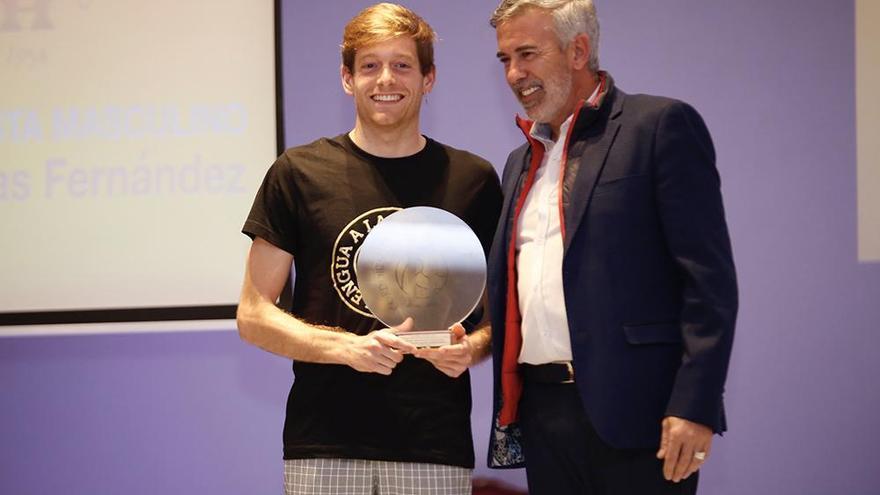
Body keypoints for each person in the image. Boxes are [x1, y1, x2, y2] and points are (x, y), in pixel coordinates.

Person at [236, 3, 502, 494]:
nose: (386, 79)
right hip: (324, 444)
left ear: (429, 79)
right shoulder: (298, 173)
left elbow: (499, 317)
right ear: (347, 78)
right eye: (369, 65)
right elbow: (253, 315)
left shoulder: (473, 180)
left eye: (402, 64)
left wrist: (471, 349)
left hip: (434, 446)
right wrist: (348, 349)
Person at [484, 1, 738, 494]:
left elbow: (708, 282)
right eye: (505, 60)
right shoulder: (519, 161)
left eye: (528, 54)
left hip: (641, 418)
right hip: (543, 416)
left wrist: (695, 404)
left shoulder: (659, 125)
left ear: (578, 50)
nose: (515, 74)